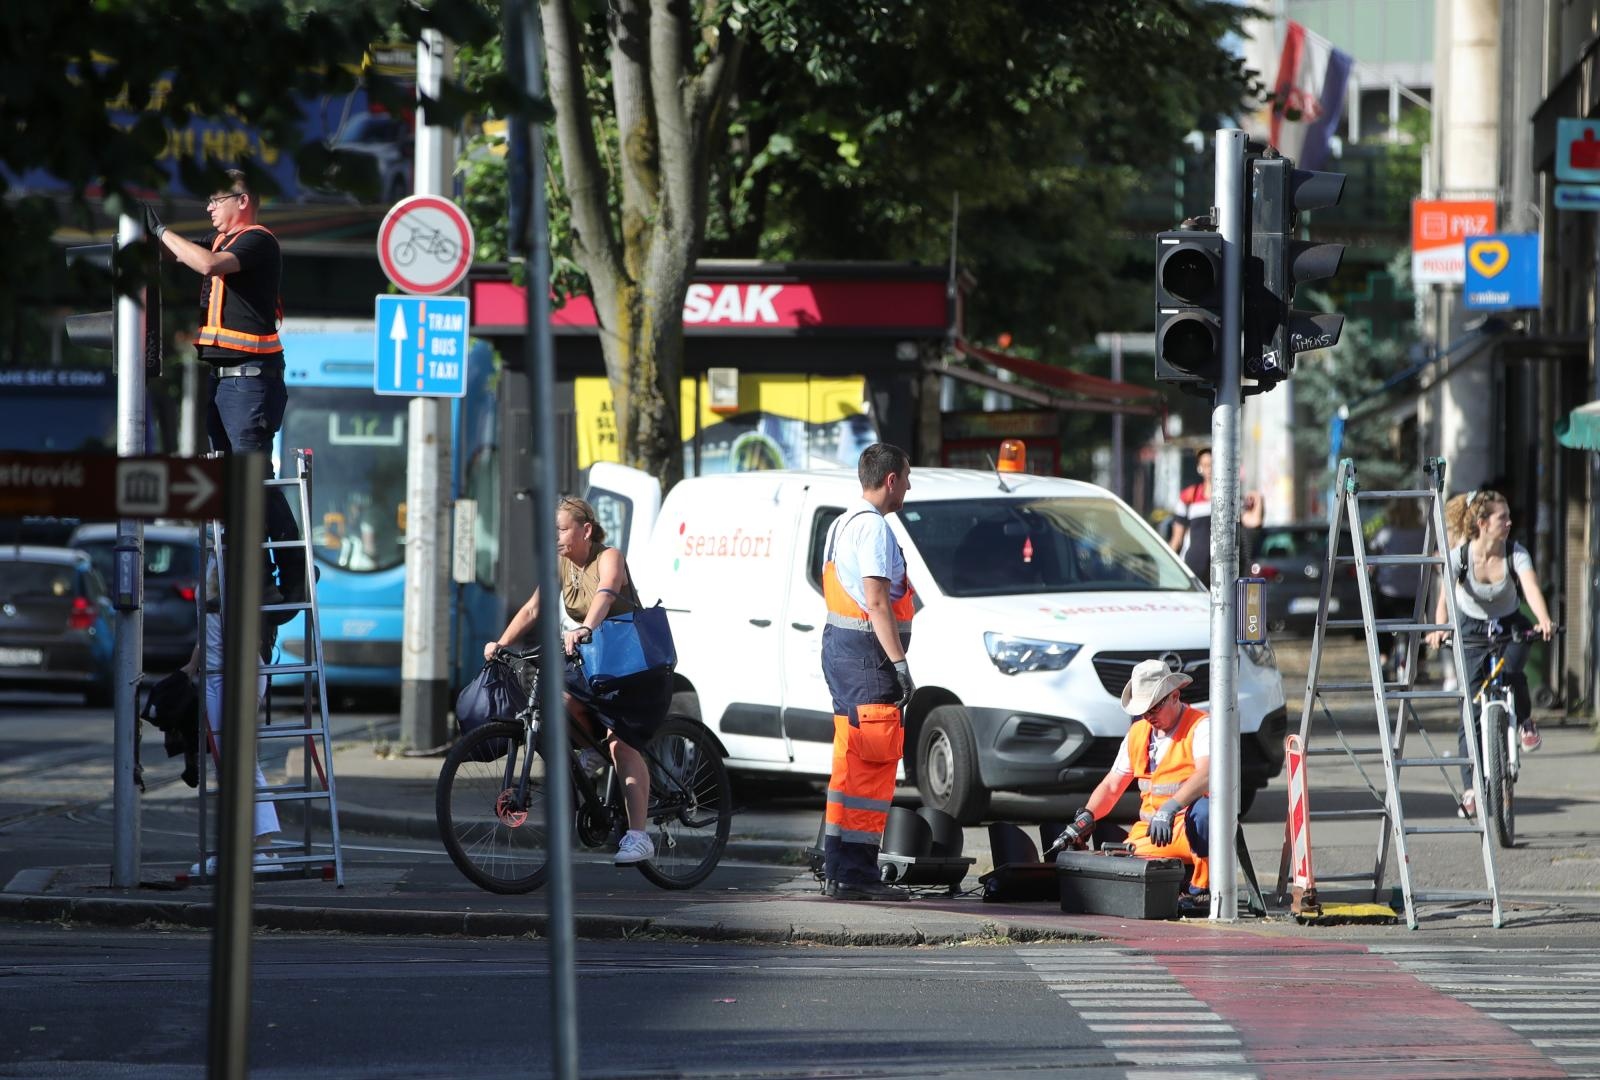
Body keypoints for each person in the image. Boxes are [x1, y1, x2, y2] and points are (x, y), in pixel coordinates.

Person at [145, 172, 303, 620]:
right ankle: (264, 575)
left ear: (243, 200)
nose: (209, 209)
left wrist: (162, 231)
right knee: (238, 481)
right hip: (226, 381)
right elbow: (188, 256)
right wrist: (145, 238)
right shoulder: (218, 242)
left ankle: (278, 577)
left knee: (251, 480)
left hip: (251, 380)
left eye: (216, 201)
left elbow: (209, 267)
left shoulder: (256, 242)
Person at [484, 495, 670, 866]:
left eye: (562, 529)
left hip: (635, 670)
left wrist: (586, 627)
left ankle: (638, 837)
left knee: (622, 745)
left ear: (585, 529)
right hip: (600, 666)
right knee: (561, 702)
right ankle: (590, 754)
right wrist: (501, 643)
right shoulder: (561, 563)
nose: (556, 536)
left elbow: (606, 591)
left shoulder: (609, 556)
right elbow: (534, 608)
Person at [818, 443, 917, 902]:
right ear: (891, 480)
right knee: (871, 767)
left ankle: (838, 864)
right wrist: (900, 665)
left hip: (843, 652)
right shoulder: (873, 529)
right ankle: (855, 873)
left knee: (849, 762)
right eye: (907, 478)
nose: (909, 487)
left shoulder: (840, 523)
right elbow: (877, 602)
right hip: (867, 657)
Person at [1426, 490, 1555, 813]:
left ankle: (1524, 720)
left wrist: (1543, 620)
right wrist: (1440, 628)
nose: (1510, 523)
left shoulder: (1516, 553)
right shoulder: (1460, 557)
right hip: (1471, 628)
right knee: (1470, 709)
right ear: (1483, 523)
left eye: (1509, 517)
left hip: (1510, 623)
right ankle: (1471, 790)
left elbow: (1531, 588)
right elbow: (1444, 600)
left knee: (1512, 673)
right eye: (1503, 518)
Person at [1065, 659, 1211, 900]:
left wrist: (1170, 808)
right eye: (1143, 711)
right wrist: (1087, 817)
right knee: (1117, 869)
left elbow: (1206, 774)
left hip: (1188, 830)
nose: (1148, 716)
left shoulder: (1200, 726)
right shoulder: (1138, 732)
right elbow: (1112, 786)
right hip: (1151, 833)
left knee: (1206, 813)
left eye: (1154, 708)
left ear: (1174, 696)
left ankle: (1202, 891)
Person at [181, 542, 283, 876]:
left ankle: (264, 850)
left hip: (236, 676)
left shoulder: (232, 565)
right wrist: (188, 672)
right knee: (227, 766)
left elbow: (248, 630)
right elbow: (206, 632)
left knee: (242, 763)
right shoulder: (212, 564)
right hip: (214, 676)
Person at [1167, 447, 1264, 585]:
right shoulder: (1189, 496)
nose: (1210, 469)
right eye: (1205, 465)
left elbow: (1254, 522)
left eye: (1213, 464)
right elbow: (1176, 540)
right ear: (1199, 468)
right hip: (1194, 569)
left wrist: (1259, 500)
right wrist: (1166, 565)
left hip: (1223, 573)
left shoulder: (1231, 497)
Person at [1373, 498, 1429, 681]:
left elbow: (1373, 550)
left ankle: (1383, 659)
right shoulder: (1423, 533)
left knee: (1382, 623)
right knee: (1419, 624)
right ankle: (1420, 664)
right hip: (1415, 591)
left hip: (1390, 591)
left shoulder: (1386, 533)